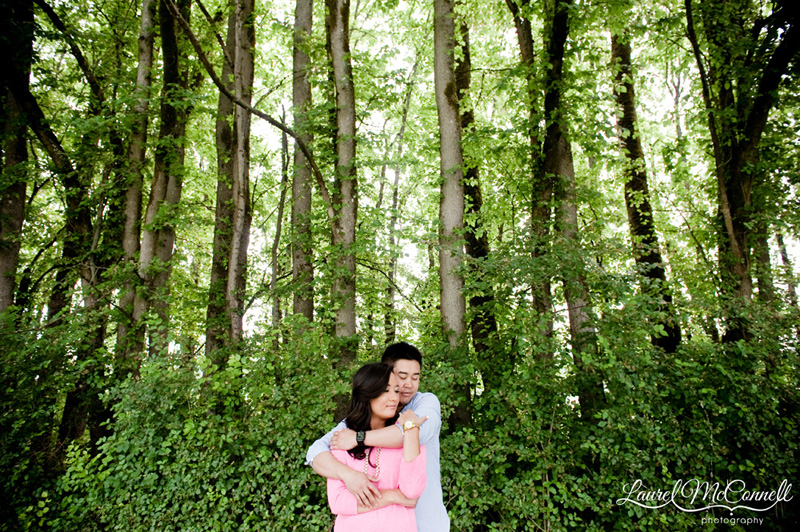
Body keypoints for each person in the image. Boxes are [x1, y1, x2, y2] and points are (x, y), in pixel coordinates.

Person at [307, 342, 451, 532]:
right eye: (402, 377)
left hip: (426, 523)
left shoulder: (425, 403)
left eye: (415, 377)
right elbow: (316, 452)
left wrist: (358, 438)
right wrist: (349, 475)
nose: (408, 384)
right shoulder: (352, 425)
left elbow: (410, 434)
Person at [327, 362, 427, 531]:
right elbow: (338, 502)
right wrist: (394, 495)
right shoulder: (344, 438)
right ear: (367, 393)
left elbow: (411, 492)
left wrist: (410, 430)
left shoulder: (406, 435)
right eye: (385, 390)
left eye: (396, 390)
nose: (394, 398)